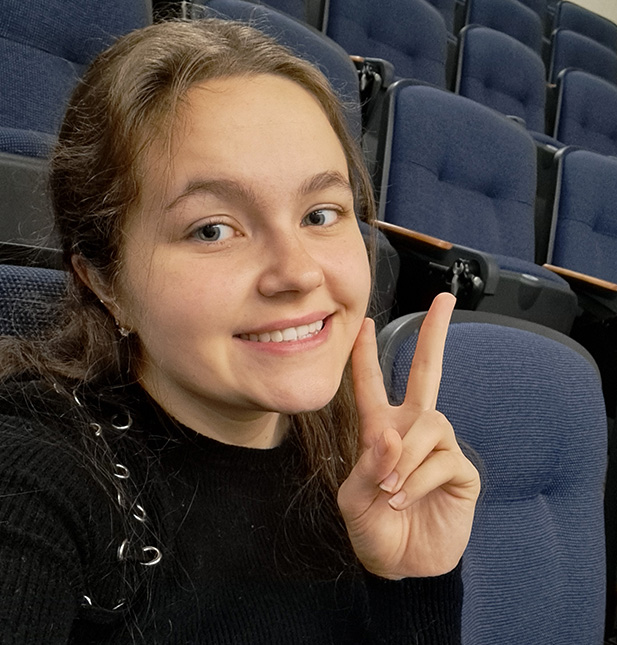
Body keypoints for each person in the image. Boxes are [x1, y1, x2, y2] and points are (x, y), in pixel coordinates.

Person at [0, 18, 480, 644]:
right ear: (103, 281)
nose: (298, 271)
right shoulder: (33, 478)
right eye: (212, 229)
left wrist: (410, 580)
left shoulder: (364, 461)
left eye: (320, 213)